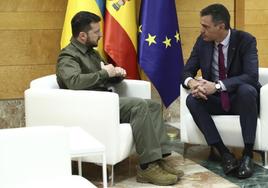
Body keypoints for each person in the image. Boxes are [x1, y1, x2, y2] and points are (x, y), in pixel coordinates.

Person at [56, 11, 183, 186]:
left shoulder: (91, 53)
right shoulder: (68, 56)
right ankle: (146, 167)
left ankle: (158, 159)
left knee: (152, 106)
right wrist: (104, 73)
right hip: (91, 107)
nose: (101, 34)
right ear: (83, 35)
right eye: (96, 31)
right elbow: (74, 82)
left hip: (105, 102)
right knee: (138, 105)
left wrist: (115, 75)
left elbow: (102, 76)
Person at [182, 4, 260, 179]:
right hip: (217, 101)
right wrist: (193, 83)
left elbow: (251, 76)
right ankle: (225, 154)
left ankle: (247, 154)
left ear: (221, 27)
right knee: (192, 100)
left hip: (240, 100)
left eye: (205, 26)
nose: (201, 30)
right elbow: (186, 72)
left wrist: (216, 86)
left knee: (247, 90)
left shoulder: (246, 40)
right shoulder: (202, 42)